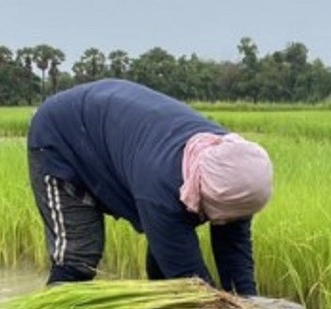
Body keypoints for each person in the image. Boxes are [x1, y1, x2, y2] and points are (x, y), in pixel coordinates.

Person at [27, 78, 273, 296]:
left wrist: (250, 308)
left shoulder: (237, 171)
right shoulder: (162, 188)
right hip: (63, 139)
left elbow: (235, 255)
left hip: (120, 129)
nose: (221, 222)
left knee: (168, 253)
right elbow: (191, 284)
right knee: (77, 260)